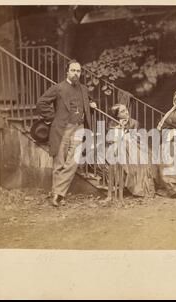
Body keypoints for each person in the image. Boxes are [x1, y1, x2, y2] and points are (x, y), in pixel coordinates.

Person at [36, 60, 97, 206]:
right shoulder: (59, 88)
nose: (76, 73)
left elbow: (85, 103)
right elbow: (42, 103)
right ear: (67, 72)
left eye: (78, 71)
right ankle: (58, 195)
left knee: (73, 162)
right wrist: (53, 118)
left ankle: (57, 193)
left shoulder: (83, 89)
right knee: (60, 162)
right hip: (63, 128)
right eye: (73, 70)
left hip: (79, 127)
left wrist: (91, 105)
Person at [106, 103, 156, 198]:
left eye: (126, 109)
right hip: (119, 145)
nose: (126, 112)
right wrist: (120, 129)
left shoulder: (133, 122)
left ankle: (139, 188)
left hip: (133, 145)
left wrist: (124, 134)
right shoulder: (112, 123)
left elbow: (134, 137)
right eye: (122, 111)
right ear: (117, 115)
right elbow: (109, 138)